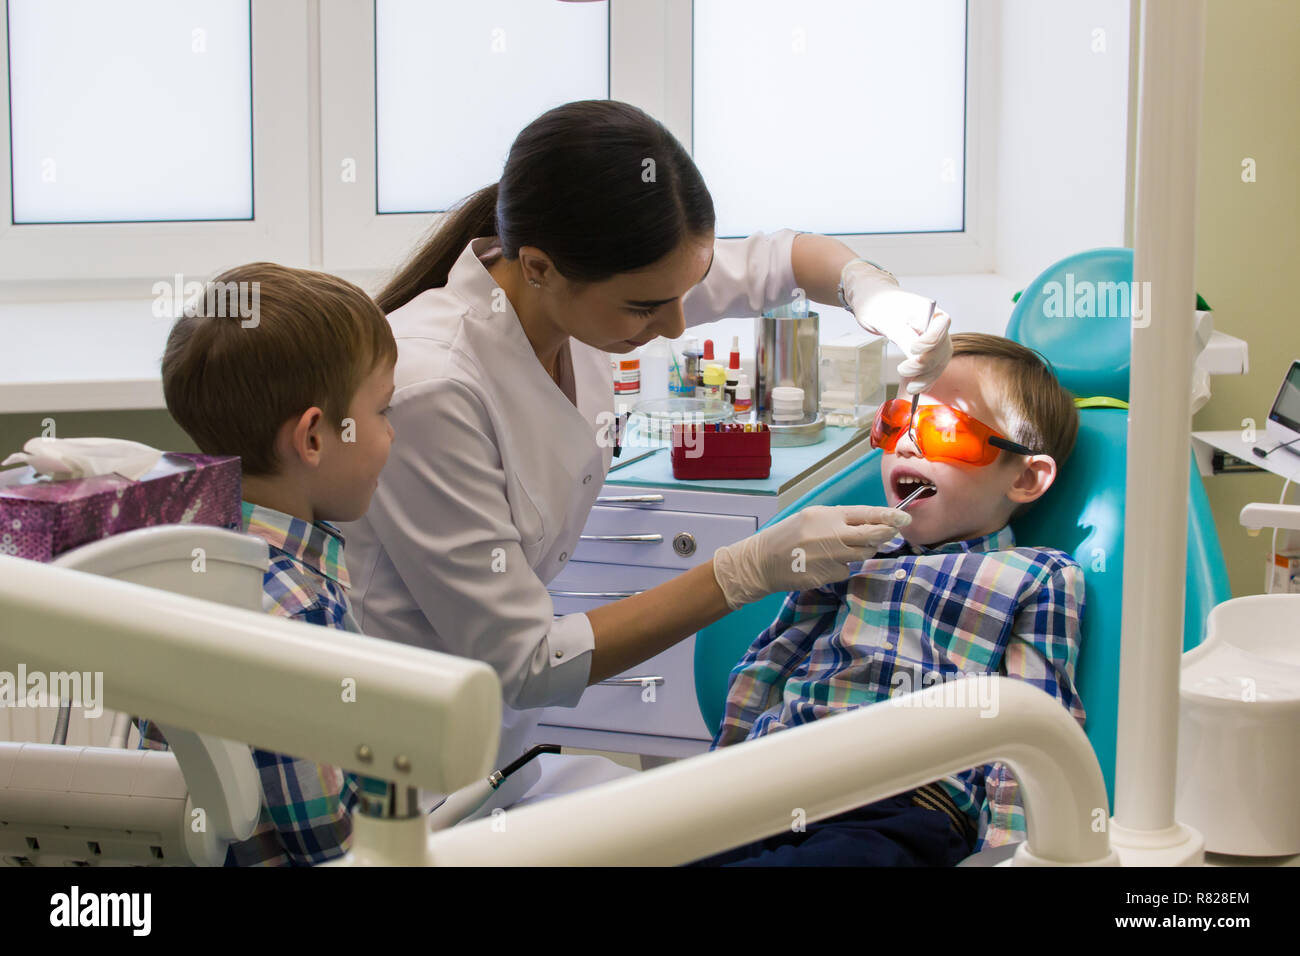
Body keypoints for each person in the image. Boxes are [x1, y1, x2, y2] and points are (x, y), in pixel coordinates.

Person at [338, 99, 953, 814]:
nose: (675, 324)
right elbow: (527, 661)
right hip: (407, 783)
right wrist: (744, 570)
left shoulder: (593, 286)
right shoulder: (431, 388)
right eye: (645, 308)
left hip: (501, 757)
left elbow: (784, 259)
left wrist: (872, 294)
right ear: (538, 267)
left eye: (685, 292)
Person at [691, 333, 1086, 866]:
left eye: (944, 429)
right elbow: (772, 660)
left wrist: (1010, 854)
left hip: (900, 804)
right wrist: (715, 783)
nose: (905, 444)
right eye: (896, 422)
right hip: (774, 779)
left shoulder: (1037, 577)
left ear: (1026, 477)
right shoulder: (851, 549)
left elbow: (1037, 724)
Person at [148, 262, 394, 865]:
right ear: (313, 437)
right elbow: (329, 843)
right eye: (384, 411)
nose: (392, 434)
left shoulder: (175, 545)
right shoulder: (296, 610)